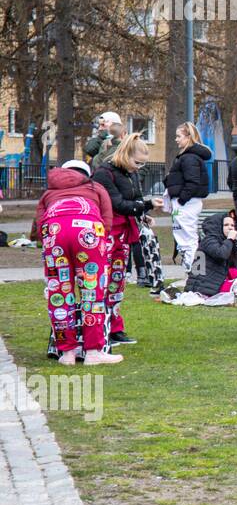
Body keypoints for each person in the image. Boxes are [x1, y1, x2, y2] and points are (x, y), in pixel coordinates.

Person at [33, 160, 121, 365]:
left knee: (59, 290)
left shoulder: (48, 193)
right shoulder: (95, 187)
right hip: (88, 230)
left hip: (54, 231)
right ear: (86, 174)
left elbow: (38, 223)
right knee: (92, 290)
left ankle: (67, 353)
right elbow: (107, 221)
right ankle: (93, 352)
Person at [92, 134, 162, 346]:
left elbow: (135, 199)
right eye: (137, 162)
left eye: (143, 164)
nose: (139, 167)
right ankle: (99, 326)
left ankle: (115, 327)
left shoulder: (130, 174)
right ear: (125, 154)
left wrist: (142, 214)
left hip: (124, 233)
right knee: (102, 282)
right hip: (107, 232)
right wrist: (146, 205)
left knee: (117, 281)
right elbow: (118, 204)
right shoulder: (104, 174)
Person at [164, 121, 211, 270]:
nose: (176, 139)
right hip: (185, 201)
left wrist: (182, 199)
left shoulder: (189, 158)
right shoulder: (186, 157)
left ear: (188, 137)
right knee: (185, 237)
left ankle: (196, 271)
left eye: (179, 136)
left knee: (189, 238)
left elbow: (192, 181)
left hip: (187, 202)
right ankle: (193, 270)